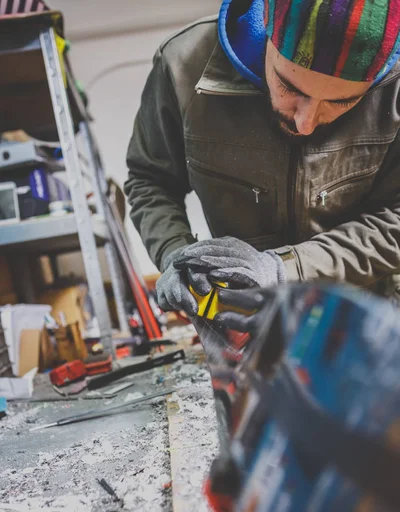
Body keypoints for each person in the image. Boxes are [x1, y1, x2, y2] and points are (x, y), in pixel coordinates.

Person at [124, 0, 400, 323]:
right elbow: (150, 180)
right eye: (289, 86)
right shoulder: (183, 67)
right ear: (266, 22)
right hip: (245, 327)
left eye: (341, 101)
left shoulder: (394, 88)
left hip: (362, 326)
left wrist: (285, 267)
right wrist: (173, 255)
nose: (305, 123)